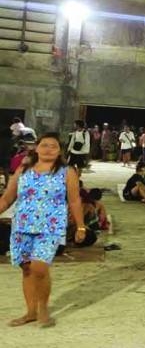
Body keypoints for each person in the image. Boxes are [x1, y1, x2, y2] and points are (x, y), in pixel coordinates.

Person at [0, 133, 86, 327]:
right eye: (44, 145)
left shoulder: (67, 172)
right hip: (22, 226)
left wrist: (81, 226)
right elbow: (7, 198)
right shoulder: (23, 170)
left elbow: (74, 200)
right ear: (36, 148)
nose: (48, 149)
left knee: (40, 267)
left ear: (59, 151)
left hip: (50, 227)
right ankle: (30, 312)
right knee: (27, 268)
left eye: (53, 146)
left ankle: (43, 309)